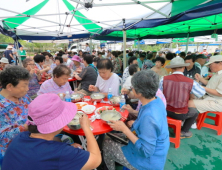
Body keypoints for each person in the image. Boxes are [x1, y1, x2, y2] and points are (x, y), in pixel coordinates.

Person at [2, 93, 102, 170]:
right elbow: (96, 160)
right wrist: (86, 127)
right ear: (56, 124)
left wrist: (69, 149)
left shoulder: (21, 137)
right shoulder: (60, 152)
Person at [103, 70, 169, 170]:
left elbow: (146, 151)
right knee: (110, 136)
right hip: (155, 148)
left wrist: (124, 129)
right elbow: (150, 120)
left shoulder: (150, 117)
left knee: (106, 144)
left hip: (148, 162)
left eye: (132, 88)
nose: (131, 89)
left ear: (139, 93)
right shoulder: (156, 100)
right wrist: (133, 112)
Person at [159, 57, 206, 138]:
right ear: (184, 68)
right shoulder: (190, 81)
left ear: (172, 69)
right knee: (194, 112)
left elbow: (158, 93)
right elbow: (201, 93)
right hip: (180, 114)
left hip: (164, 111)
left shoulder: (163, 79)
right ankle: (183, 131)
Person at [0, 66, 31, 163]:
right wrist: (25, 127)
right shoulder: (2, 107)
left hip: (31, 142)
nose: (27, 89)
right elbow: (3, 138)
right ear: (9, 86)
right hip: (14, 152)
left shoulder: (24, 97)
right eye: (24, 85)